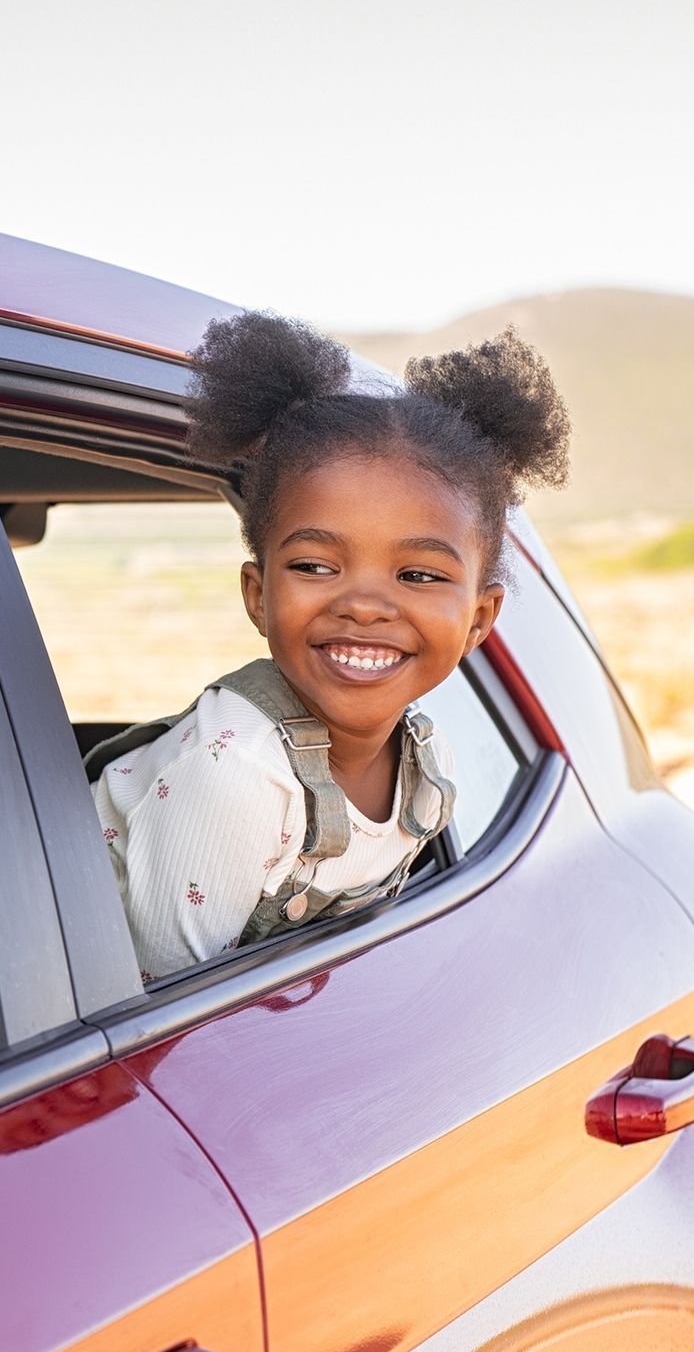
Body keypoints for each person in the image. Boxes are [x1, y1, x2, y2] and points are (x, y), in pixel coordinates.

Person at [91, 311, 569, 982]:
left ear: (480, 618)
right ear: (258, 595)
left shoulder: (426, 767)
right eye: (316, 565)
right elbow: (161, 1026)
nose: (365, 604)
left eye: (419, 575)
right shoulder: (237, 778)